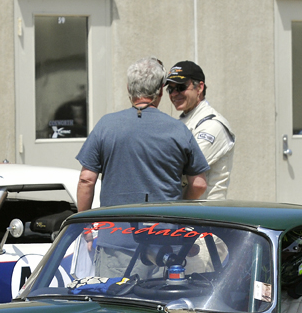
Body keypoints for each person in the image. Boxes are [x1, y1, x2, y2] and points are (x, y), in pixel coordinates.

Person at [75, 57, 209, 212]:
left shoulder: (105, 125)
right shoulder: (178, 129)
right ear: (160, 90)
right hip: (164, 228)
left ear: (128, 88)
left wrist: (84, 226)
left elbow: (86, 180)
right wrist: (179, 207)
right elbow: (199, 184)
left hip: (114, 228)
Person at [164, 61, 235, 200]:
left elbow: (179, 168)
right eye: (170, 89)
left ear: (200, 87)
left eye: (181, 87)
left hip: (208, 215)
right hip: (188, 214)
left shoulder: (213, 125)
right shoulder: (185, 120)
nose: (174, 94)